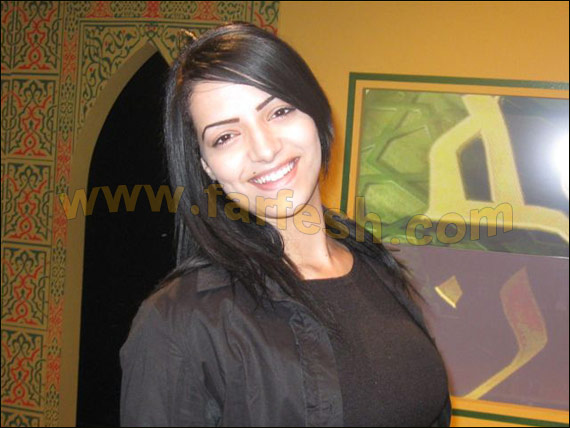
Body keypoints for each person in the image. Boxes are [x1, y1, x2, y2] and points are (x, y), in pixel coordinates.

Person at [120, 22, 452, 427]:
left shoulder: (374, 264)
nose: (265, 149)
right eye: (225, 137)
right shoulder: (180, 322)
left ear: (314, 112)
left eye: (279, 111)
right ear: (206, 166)